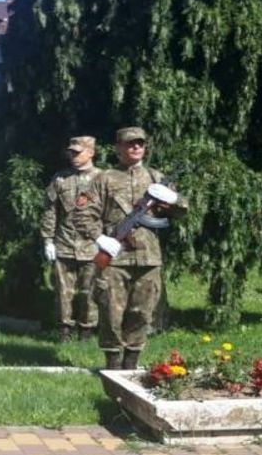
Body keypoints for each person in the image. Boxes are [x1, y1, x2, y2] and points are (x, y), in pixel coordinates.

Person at [77, 126, 188, 370]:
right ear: (118, 148)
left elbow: (182, 211)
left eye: (140, 143)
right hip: (116, 257)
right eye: (130, 143)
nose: (136, 147)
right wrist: (100, 238)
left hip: (148, 257)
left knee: (142, 313)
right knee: (110, 312)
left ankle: (131, 364)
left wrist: (172, 200)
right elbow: (85, 214)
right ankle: (113, 364)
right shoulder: (104, 178)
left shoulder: (155, 177)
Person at [41, 136, 101, 342]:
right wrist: (48, 240)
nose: (73, 156)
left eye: (78, 152)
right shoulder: (60, 179)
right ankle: (64, 330)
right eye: (71, 152)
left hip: (92, 246)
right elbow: (51, 211)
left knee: (89, 291)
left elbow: (111, 213)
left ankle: (86, 331)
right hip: (64, 243)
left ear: (91, 152)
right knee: (63, 292)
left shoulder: (103, 179)